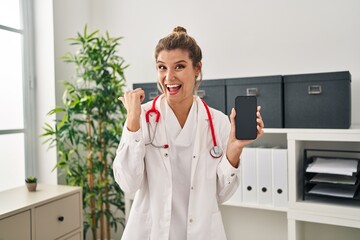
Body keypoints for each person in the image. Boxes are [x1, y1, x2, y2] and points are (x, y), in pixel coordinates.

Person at [113, 26, 264, 240]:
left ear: (197, 68)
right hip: (150, 232)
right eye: (162, 67)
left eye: (179, 67)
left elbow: (221, 195)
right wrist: (132, 123)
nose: (169, 77)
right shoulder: (141, 117)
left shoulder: (218, 122)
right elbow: (128, 184)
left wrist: (234, 149)